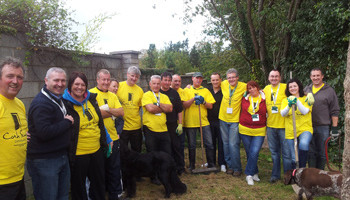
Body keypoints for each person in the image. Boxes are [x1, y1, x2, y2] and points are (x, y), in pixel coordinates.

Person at [27, 67, 74, 200]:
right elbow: (44, 132)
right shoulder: (41, 103)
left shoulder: (58, 99)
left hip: (60, 155)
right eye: (56, 80)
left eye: (63, 81)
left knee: (62, 196)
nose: (60, 84)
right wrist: (66, 122)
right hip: (45, 160)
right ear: (46, 81)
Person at [63, 72, 110, 200]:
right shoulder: (64, 104)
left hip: (96, 151)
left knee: (99, 184)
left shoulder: (91, 100)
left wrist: (108, 138)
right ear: (70, 85)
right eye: (76, 84)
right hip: (78, 154)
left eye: (83, 84)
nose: (80, 87)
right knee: (79, 188)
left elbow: (99, 122)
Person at [90, 69, 124, 200]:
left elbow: (121, 112)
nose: (106, 82)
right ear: (97, 80)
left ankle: (114, 195)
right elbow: (95, 115)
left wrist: (106, 110)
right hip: (97, 139)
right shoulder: (91, 94)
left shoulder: (113, 95)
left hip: (113, 138)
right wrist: (112, 111)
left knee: (114, 169)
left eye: (108, 80)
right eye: (103, 79)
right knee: (98, 171)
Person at [0, 57, 28, 200]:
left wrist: (22, 134)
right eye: (10, 76)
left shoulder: (19, 104)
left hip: (18, 176)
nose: (15, 81)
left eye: (19, 77)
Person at [304, 68, 340, 170]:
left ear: (322, 76)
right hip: (308, 126)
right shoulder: (306, 89)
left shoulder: (329, 91)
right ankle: (312, 175)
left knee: (322, 153)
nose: (316, 78)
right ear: (310, 77)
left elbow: (335, 110)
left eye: (318, 75)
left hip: (323, 126)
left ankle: (320, 175)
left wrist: (334, 128)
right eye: (313, 76)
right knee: (311, 153)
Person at [183, 72, 216, 171]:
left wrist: (203, 102)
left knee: (209, 143)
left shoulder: (205, 90)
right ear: (192, 78)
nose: (199, 80)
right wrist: (193, 99)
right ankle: (192, 165)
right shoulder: (187, 90)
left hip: (204, 121)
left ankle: (211, 164)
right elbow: (184, 105)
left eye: (200, 78)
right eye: (197, 78)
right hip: (190, 121)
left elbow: (210, 106)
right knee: (192, 144)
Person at [263, 69, 290, 183]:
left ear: (280, 78)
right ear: (269, 78)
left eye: (276, 76)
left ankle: (289, 177)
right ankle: (275, 175)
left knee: (286, 153)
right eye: (272, 76)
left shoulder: (285, 87)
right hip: (270, 126)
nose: (274, 78)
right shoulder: (266, 89)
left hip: (284, 126)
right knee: (274, 153)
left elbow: (297, 95)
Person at [218, 68, 246, 176]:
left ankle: (237, 168)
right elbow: (214, 83)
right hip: (223, 118)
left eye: (233, 77)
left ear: (237, 77)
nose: (231, 79)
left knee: (233, 144)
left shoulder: (243, 86)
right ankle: (230, 166)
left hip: (235, 120)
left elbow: (255, 89)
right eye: (229, 77)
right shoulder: (224, 84)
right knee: (225, 144)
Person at [239, 81, 267, 185]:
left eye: (254, 87)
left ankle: (249, 174)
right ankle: (255, 172)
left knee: (254, 151)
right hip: (244, 129)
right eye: (249, 88)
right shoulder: (244, 98)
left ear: (258, 88)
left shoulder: (265, 97)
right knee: (249, 152)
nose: (252, 90)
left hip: (259, 130)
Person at [281, 78, 313, 169]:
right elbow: (283, 114)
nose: (293, 88)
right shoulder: (285, 100)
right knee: (294, 155)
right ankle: (295, 174)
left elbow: (305, 111)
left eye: (295, 86)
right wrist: (289, 105)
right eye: (290, 87)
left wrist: (297, 101)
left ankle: (302, 168)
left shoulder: (307, 98)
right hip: (291, 130)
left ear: (299, 87)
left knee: (303, 144)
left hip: (305, 128)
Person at [160, 72, 185, 175]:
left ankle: (180, 167)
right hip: (160, 126)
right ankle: (166, 168)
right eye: (165, 80)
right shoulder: (157, 92)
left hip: (172, 124)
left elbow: (180, 110)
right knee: (165, 148)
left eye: (169, 80)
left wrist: (180, 124)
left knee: (176, 146)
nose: (167, 82)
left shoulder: (174, 93)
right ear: (161, 80)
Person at [142, 75, 173, 154]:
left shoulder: (164, 96)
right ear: (150, 84)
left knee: (167, 154)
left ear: (160, 84)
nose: (156, 86)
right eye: (154, 83)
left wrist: (158, 104)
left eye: (158, 84)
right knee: (153, 155)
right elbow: (151, 109)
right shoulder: (146, 95)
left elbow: (170, 109)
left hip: (163, 129)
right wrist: (163, 107)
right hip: (150, 130)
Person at [117, 66, 144, 153]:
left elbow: (139, 107)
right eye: (132, 75)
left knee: (136, 151)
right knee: (122, 152)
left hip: (136, 126)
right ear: (127, 74)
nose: (134, 78)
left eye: (136, 77)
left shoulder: (140, 90)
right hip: (122, 127)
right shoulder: (119, 86)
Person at [208, 72, 226, 172]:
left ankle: (222, 163)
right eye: (213, 80)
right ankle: (211, 162)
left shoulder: (224, 91)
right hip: (209, 120)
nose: (215, 82)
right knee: (211, 143)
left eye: (217, 79)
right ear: (211, 81)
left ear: (220, 80)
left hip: (221, 120)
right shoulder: (207, 91)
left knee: (221, 142)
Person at [171, 74, 186, 171]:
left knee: (180, 146)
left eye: (179, 81)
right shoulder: (164, 92)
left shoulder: (182, 91)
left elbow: (182, 107)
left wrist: (180, 124)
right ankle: (172, 166)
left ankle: (181, 166)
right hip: (169, 124)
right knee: (171, 146)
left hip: (179, 124)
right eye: (175, 81)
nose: (177, 83)